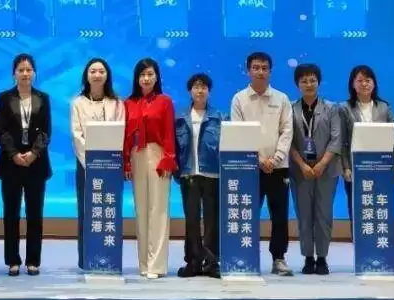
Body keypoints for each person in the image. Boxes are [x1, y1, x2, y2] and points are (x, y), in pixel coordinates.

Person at [230, 51, 294, 277]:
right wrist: (257, 160)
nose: (260, 72)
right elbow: (238, 132)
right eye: (255, 67)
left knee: (279, 215)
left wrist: (275, 158)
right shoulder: (239, 99)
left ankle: (279, 258)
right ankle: (246, 256)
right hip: (250, 168)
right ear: (248, 70)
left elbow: (287, 131)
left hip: (278, 167)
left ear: (270, 71)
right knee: (247, 213)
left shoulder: (282, 98)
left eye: (264, 68)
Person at [0, 54, 52, 276]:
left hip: (36, 164)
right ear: (14, 74)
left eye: (29, 69)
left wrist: (34, 153)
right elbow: (1, 130)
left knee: (35, 214)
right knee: (11, 214)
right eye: (21, 70)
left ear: (34, 73)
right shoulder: (4, 97)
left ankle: (33, 260)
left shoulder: (43, 98)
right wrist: (14, 154)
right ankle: (13, 260)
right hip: (11, 164)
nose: (25, 73)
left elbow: (46, 131)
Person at [123, 58, 176, 279]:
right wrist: (126, 161)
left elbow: (169, 133)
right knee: (141, 209)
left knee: (158, 209)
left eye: (150, 74)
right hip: (136, 155)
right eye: (142, 75)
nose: (146, 78)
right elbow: (126, 136)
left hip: (158, 154)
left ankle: (157, 265)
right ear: (137, 78)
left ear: (157, 77)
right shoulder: (128, 103)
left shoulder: (165, 102)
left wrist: (168, 159)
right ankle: (144, 263)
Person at [70, 57, 124, 270]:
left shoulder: (117, 103)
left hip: (111, 166)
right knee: (86, 211)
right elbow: (77, 135)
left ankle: (109, 256)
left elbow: (120, 131)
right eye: (93, 71)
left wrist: (109, 161)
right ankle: (86, 259)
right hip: (85, 165)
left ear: (107, 75)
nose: (97, 75)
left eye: (101, 71)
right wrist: (91, 163)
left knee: (108, 210)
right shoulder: (78, 103)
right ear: (86, 76)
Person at [288, 63, 342, 276]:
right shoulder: (290, 108)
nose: (309, 84)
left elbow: (336, 140)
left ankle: (322, 258)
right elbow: (287, 140)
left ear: (319, 82)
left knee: (323, 214)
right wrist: (302, 164)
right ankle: (308, 258)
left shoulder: (332, 108)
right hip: (300, 170)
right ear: (298, 84)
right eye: (304, 81)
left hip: (326, 170)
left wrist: (321, 164)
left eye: (313, 80)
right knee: (304, 214)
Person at [340, 65, 394, 230]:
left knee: (380, 208)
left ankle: (380, 243)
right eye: (360, 80)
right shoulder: (344, 108)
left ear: (374, 83)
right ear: (352, 84)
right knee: (357, 210)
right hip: (355, 168)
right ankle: (358, 244)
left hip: (381, 167)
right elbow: (341, 141)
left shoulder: (384, 107)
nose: (364, 84)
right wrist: (345, 167)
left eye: (368, 80)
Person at [173, 73, 223, 278]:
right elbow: (175, 147)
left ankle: (211, 262)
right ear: (190, 91)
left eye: (203, 87)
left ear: (209, 91)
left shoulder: (219, 117)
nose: (200, 90)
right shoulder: (180, 118)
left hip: (212, 174)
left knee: (212, 220)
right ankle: (193, 262)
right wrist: (177, 171)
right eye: (196, 87)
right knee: (191, 220)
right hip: (189, 174)